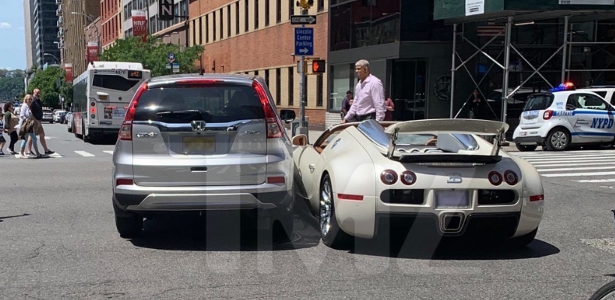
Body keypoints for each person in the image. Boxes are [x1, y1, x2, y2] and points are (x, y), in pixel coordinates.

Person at [30, 89, 54, 155]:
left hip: (39, 121)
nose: (38, 94)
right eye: (37, 92)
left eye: (39, 92)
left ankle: (46, 150)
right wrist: (34, 119)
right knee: (32, 136)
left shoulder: (38, 101)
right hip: (34, 121)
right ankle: (29, 150)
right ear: (34, 92)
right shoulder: (33, 100)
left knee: (42, 134)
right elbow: (30, 111)